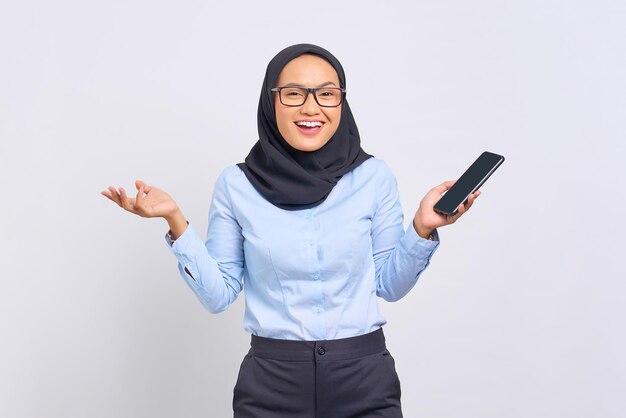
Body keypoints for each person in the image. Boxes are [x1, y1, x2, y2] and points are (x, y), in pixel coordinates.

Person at [101, 44, 479, 418]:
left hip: (364, 377)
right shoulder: (237, 185)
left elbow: (390, 286)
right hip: (272, 381)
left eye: (327, 94)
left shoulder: (373, 177)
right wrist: (176, 221)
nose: (311, 108)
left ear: (341, 102)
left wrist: (421, 228)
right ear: (272, 102)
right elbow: (218, 296)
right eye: (294, 94)